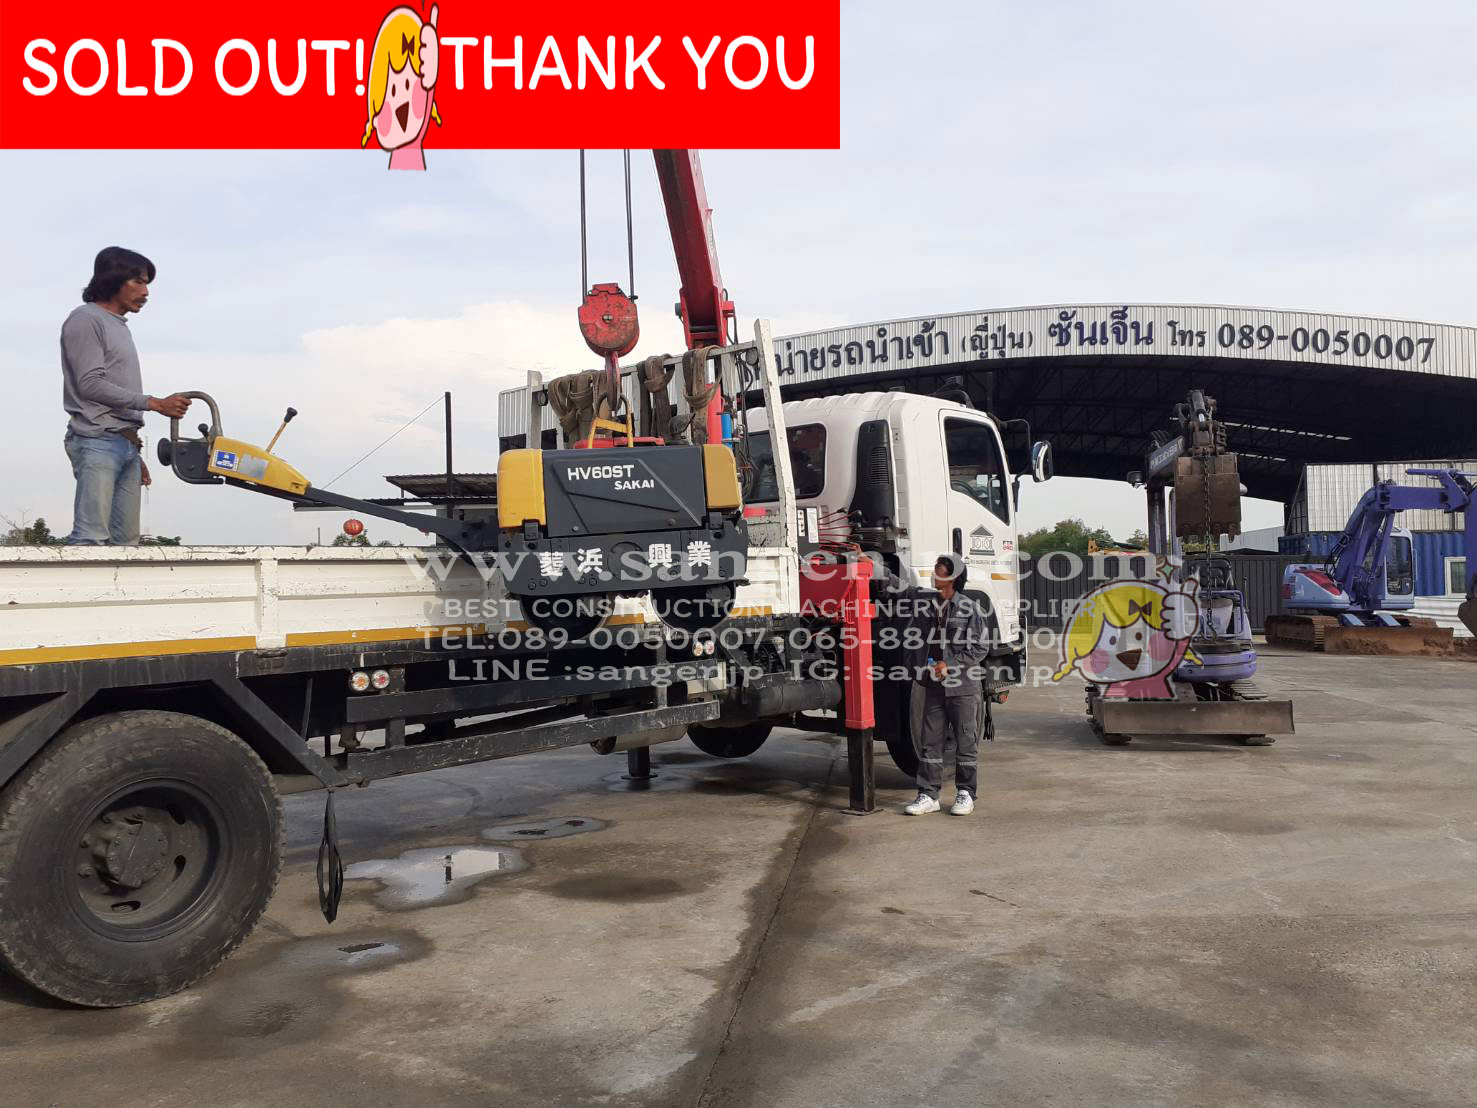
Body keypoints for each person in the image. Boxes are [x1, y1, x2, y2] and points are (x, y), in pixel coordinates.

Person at [61, 247, 191, 545]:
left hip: (124, 443)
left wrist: (131, 449)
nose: (145, 292)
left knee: (126, 545)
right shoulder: (86, 319)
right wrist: (155, 403)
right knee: (91, 539)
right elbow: (90, 385)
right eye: (138, 282)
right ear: (113, 279)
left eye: (147, 284)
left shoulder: (118, 326)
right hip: (96, 438)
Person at [903, 555, 991, 816]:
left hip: (963, 687)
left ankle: (966, 793)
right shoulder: (927, 602)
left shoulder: (970, 608)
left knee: (966, 742)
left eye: (938, 570)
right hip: (934, 686)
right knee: (930, 743)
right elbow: (902, 589)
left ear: (952, 577)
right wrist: (870, 565)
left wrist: (949, 665)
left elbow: (980, 648)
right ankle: (929, 795)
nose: (933, 574)